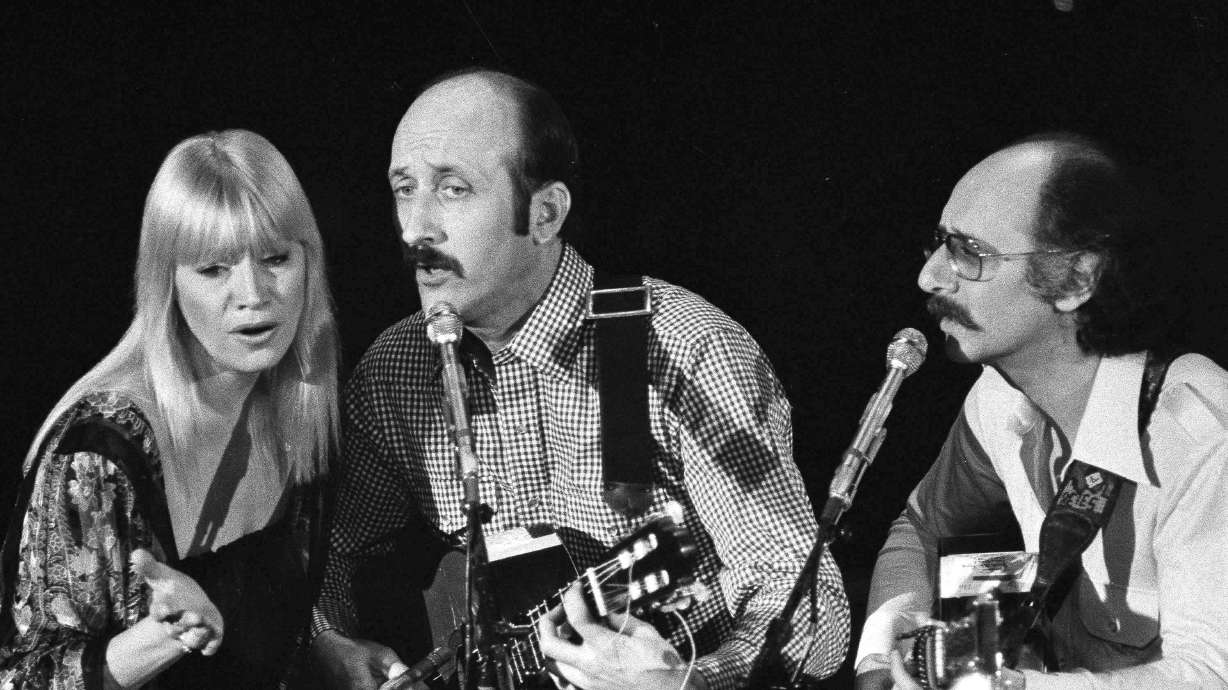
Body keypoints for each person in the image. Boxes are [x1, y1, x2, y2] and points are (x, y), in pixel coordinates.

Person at [310, 67, 851, 690]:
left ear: (545, 214)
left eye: (454, 190)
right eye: (404, 190)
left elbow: (813, 605)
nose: (415, 229)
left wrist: (689, 682)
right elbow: (332, 552)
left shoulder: (679, 348)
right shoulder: (395, 370)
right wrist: (331, 640)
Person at [855, 132, 1228, 688]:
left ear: (1077, 279)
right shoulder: (996, 398)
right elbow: (921, 524)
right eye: (938, 242)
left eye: (969, 252)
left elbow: (1212, 674)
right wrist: (886, 650)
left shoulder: (1199, 430)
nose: (929, 276)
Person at [0, 129, 340, 689]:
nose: (254, 293)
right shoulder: (99, 451)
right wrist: (162, 640)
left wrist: (333, 650)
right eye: (214, 269)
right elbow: (23, 679)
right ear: (169, 283)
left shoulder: (300, 411)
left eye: (276, 258)